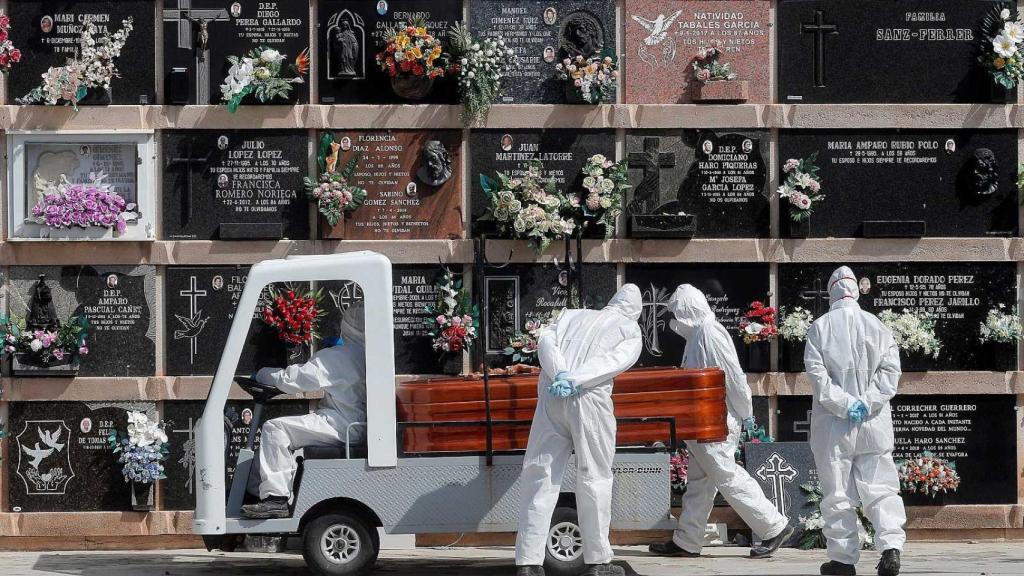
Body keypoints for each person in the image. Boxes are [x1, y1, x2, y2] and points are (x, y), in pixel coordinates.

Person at [649, 285, 793, 560]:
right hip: (703, 421)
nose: (675, 320)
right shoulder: (698, 335)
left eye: (677, 313)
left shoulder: (710, 334)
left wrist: (746, 412)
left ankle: (773, 525)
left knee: (727, 475)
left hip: (717, 421)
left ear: (688, 311)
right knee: (700, 483)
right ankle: (688, 540)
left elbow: (732, 377)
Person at [515, 285, 644, 576]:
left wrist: (560, 372)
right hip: (589, 398)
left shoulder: (571, 316)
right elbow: (612, 362)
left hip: (553, 394)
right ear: (635, 311)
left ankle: (528, 561)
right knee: (594, 476)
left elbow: (546, 341)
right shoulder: (629, 330)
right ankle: (597, 561)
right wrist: (575, 378)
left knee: (540, 473)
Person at [805, 267, 904, 576]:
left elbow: (819, 380)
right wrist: (866, 403)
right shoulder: (877, 326)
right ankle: (890, 547)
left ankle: (843, 560)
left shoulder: (819, 328)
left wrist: (847, 405)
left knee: (837, 493)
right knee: (881, 486)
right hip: (873, 423)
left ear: (831, 293)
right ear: (856, 292)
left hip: (834, 425)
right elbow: (890, 373)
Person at [241, 303, 367, 519]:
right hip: (357, 424)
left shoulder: (338, 357)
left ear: (347, 326)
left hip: (340, 424)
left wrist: (262, 374)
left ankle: (275, 498)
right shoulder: (369, 355)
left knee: (275, 429)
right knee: (279, 431)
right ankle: (255, 492)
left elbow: (293, 380)